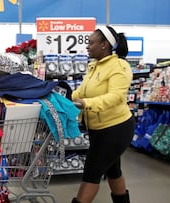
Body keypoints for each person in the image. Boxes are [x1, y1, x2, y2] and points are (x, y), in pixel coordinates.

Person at [71, 26, 135, 203]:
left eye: (90, 43)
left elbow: (116, 97)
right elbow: (83, 91)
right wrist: (68, 98)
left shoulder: (119, 66)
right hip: (98, 129)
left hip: (116, 128)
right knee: (113, 170)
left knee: (91, 173)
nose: (87, 46)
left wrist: (86, 104)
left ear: (104, 45)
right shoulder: (94, 66)